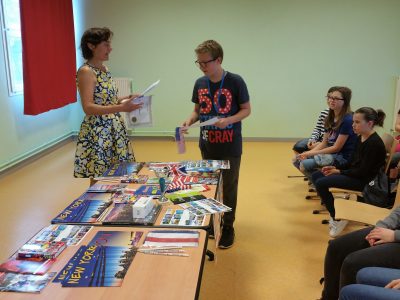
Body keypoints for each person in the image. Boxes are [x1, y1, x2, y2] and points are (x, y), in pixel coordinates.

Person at [182, 40, 251, 249]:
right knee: (210, 186)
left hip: (229, 146)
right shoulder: (200, 83)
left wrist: (229, 120)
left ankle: (228, 226)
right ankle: (213, 222)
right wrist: (189, 121)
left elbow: (246, 109)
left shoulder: (235, 81)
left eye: (205, 62)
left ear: (218, 60)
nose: (202, 66)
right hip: (207, 144)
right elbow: (197, 110)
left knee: (228, 187)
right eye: (199, 63)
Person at [74, 27, 142, 185]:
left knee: (119, 172)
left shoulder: (104, 69)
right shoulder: (86, 72)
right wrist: (122, 108)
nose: (110, 49)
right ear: (91, 46)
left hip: (114, 129)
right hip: (98, 131)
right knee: (99, 176)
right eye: (106, 45)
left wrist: (127, 98)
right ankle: (93, 206)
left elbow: (108, 99)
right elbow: (88, 107)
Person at [312, 107, 386, 237]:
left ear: (369, 123)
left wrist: (340, 172)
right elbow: (352, 161)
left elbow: (363, 172)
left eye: (357, 122)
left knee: (321, 183)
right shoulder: (360, 137)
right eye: (353, 122)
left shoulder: (374, 144)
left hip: (365, 182)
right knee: (316, 175)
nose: (353, 125)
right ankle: (336, 212)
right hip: (355, 174)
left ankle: (337, 217)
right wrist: (335, 168)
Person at [320, 204, 400, 300]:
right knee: (336, 247)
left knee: (352, 263)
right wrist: (381, 227)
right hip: (394, 230)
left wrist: (394, 235)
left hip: (396, 236)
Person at [295, 87, 357, 180]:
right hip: (333, 154)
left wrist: (310, 154)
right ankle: (321, 182)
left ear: (345, 101)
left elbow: (337, 148)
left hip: (342, 157)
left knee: (303, 164)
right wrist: (307, 153)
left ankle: (322, 183)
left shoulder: (347, 120)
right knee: (296, 160)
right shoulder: (330, 117)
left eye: (335, 98)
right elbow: (324, 143)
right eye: (329, 97)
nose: (331, 100)